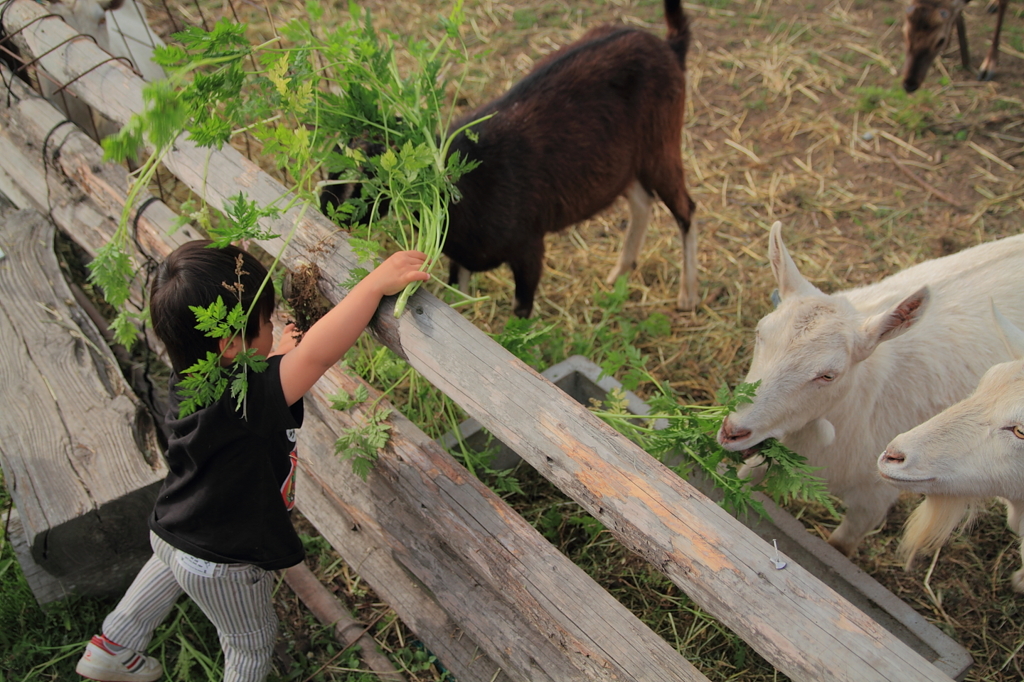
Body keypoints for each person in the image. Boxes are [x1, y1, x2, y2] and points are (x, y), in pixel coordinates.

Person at [75, 240, 429, 682]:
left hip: (175, 525)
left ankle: (112, 647)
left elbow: (250, 382)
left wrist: (275, 354)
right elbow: (317, 353)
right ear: (230, 345)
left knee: (171, 564)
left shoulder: (192, 377)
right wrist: (373, 285)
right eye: (265, 321)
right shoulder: (249, 399)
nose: (272, 325)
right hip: (224, 563)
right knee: (250, 642)